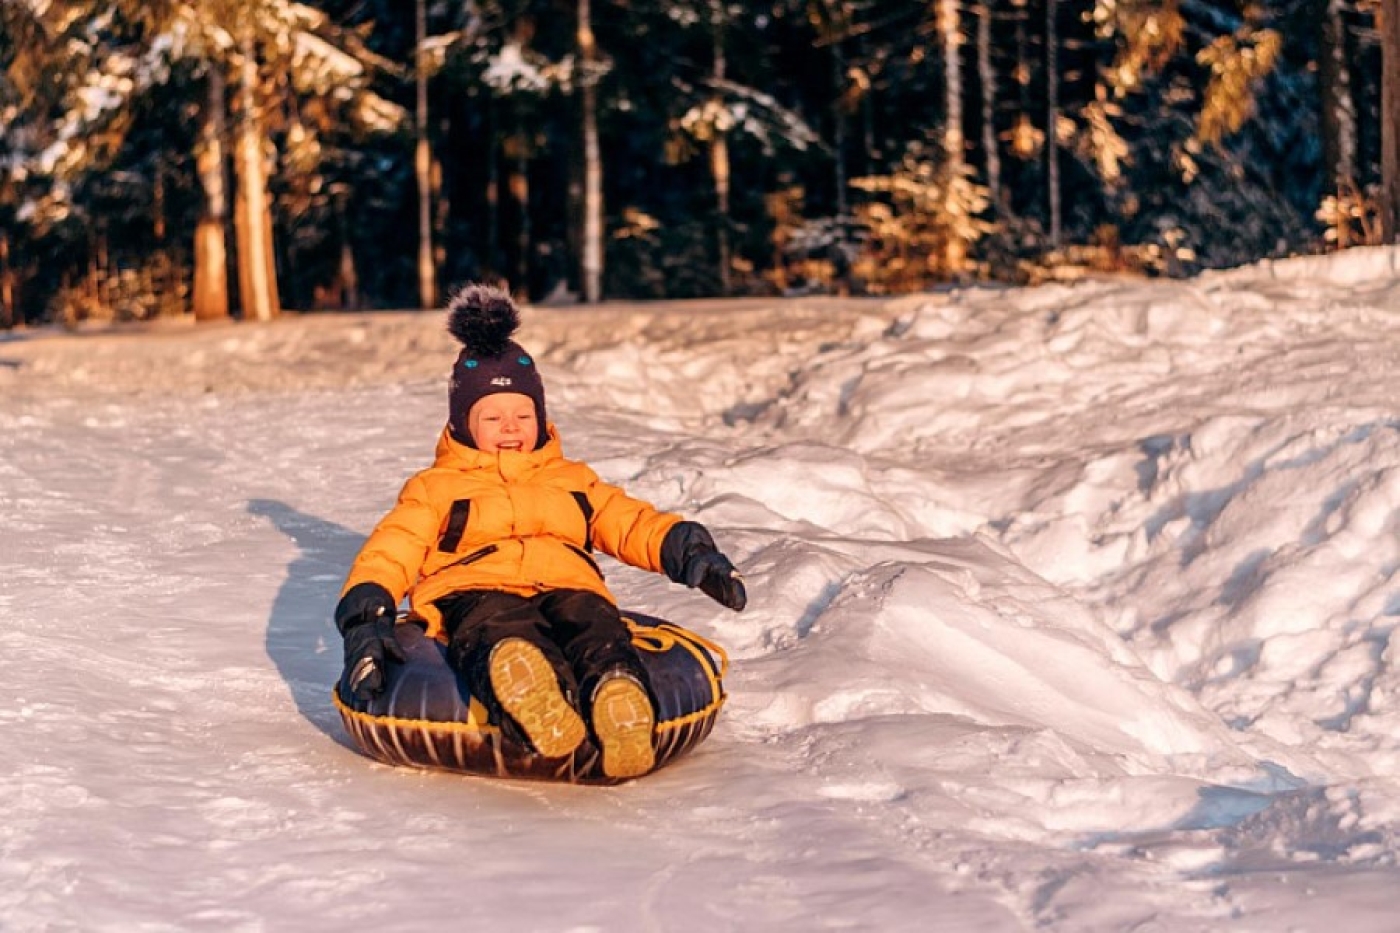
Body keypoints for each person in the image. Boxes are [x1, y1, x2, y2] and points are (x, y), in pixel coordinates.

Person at [334, 284, 746, 779]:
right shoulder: (436, 486)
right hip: (474, 589)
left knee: (596, 625)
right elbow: (395, 546)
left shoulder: (572, 478)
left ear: (541, 416)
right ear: (463, 424)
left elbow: (626, 519)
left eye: (523, 415)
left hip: (568, 584)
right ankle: (530, 696)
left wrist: (686, 548)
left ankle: (619, 700)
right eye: (492, 417)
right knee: (497, 629)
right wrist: (367, 614)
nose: (510, 427)